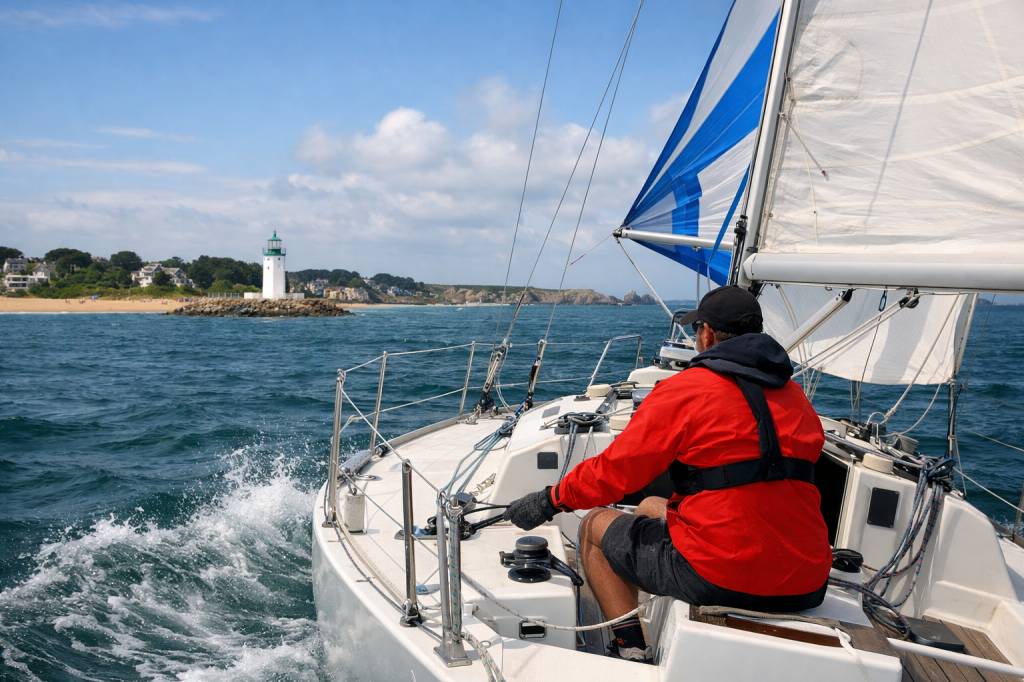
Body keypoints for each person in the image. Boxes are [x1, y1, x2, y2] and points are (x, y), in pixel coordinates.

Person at [504, 286, 832, 662]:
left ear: (707, 334)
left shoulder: (687, 391)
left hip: (720, 576)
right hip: (807, 580)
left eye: (696, 330)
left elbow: (614, 473)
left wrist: (549, 500)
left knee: (594, 526)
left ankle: (631, 649)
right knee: (649, 505)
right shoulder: (796, 398)